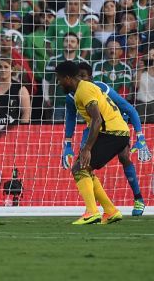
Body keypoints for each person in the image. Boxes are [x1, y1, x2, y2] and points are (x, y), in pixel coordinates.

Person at [62, 62, 151, 216]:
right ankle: (97, 207)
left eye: (84, 76)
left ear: (90, 76)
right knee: (83, 164)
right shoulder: (71, 95)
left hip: (114, 125)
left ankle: (138, 199)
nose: (81, 79)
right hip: (93, 128)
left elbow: (129, 109)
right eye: (79, 76)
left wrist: (140, 136)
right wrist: (67, 144)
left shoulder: (101, 87)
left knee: (124, 157)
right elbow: (71, 118)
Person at [55, 60, 129, 225]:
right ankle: (110, 211)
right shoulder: (83, 89)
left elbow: (97, 119)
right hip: (114, 131)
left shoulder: (84, 90)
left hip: (112, 132)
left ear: (67, 78)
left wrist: (87, 148)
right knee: (86, 170)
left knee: (79, 168)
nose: (59, 83)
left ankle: (92, 212)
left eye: (59, 78)